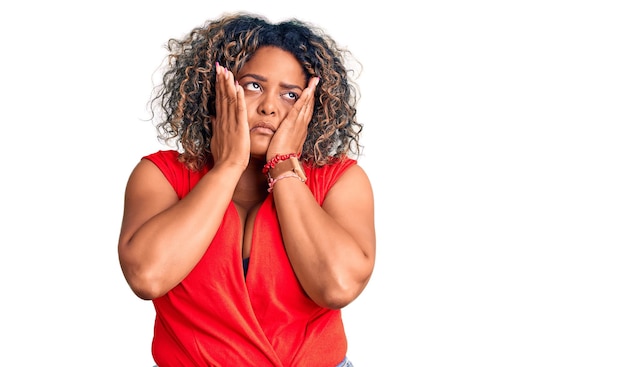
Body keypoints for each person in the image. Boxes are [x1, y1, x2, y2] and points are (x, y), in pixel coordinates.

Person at [117, 11, 376, 367]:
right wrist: (227, 166)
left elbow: (337, 286)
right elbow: (147, 277)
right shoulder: (161, 176)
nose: (269, 106)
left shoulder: (340, 181)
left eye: (290, 95)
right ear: (216, 89)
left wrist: (284, 164)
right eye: (254, 85)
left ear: (310, 108)